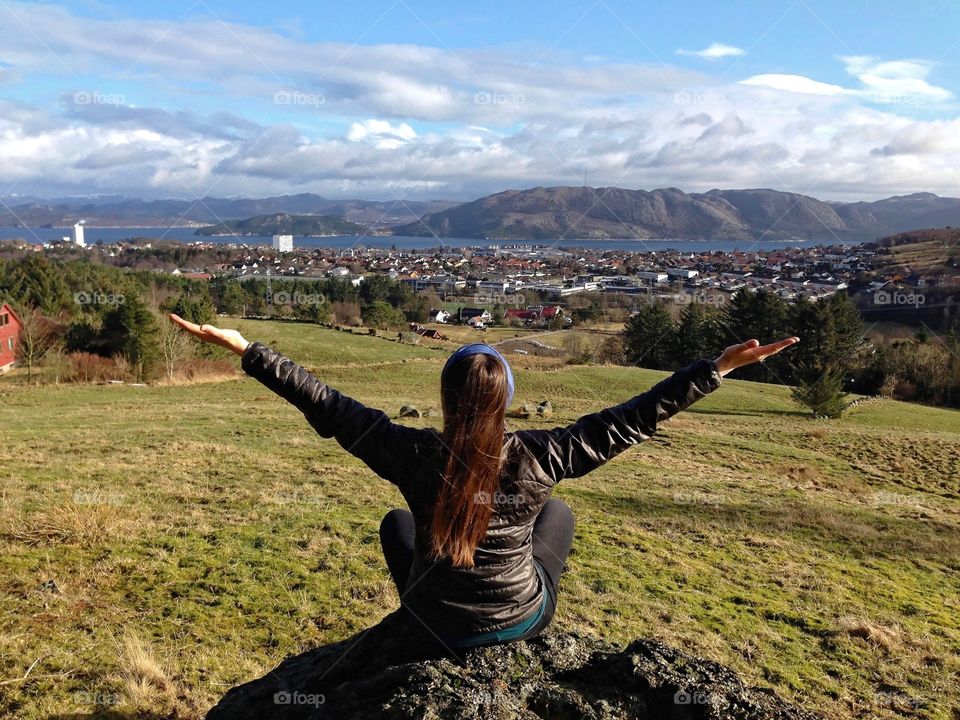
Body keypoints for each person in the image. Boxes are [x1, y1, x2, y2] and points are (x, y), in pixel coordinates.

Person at [169, 313, 798, 654]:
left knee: (397, 526)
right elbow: (634, 417)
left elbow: (327, 404)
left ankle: (421, 612)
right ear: (507, 405)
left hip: (433, 622)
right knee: (561, 518)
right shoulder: (543, 457)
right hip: (519, 620)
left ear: (444, 399)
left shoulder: (411, 453)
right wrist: (714, 369)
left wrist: (247, 349)